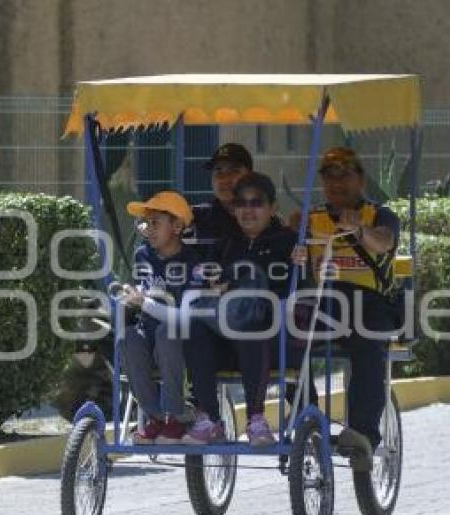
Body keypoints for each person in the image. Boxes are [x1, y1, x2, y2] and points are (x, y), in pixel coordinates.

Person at [292, 146, 401, 470]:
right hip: (325, 301)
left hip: (370, 300)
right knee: (285, 338)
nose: (337, 183)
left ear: (360, 178)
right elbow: (290, 237)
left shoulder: (380, 215)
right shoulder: (310, 219)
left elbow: (384, 241)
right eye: (329, 176)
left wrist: (360, 230)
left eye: (345, 175)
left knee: (369, 344)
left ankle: (363, 433)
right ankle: (306, 417)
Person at [182, 172, 297, 446]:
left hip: (274, 335)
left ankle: (256, 418)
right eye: (242, 203)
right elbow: (203, 279)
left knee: (250, 323)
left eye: (257, 202)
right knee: (194, 325)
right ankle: (209, 418)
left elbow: (301, 288)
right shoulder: (226, 244)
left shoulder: (289, 242)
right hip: (227, 335)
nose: (248, 209)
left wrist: (299, 263)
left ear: (272, 207)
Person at [120, 190, 207, 444]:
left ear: (177, 226)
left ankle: (176, 415)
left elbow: (184, 316)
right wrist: (129, 296)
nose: (148, 229)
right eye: (145, 223)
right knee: (128, 339)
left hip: (182, 334)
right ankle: (154, 416)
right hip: (148, 329)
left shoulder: (193, 262)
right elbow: (137, 290)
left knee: (166, 332)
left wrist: (143, 301)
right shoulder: (142, 255)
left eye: (155, 222)